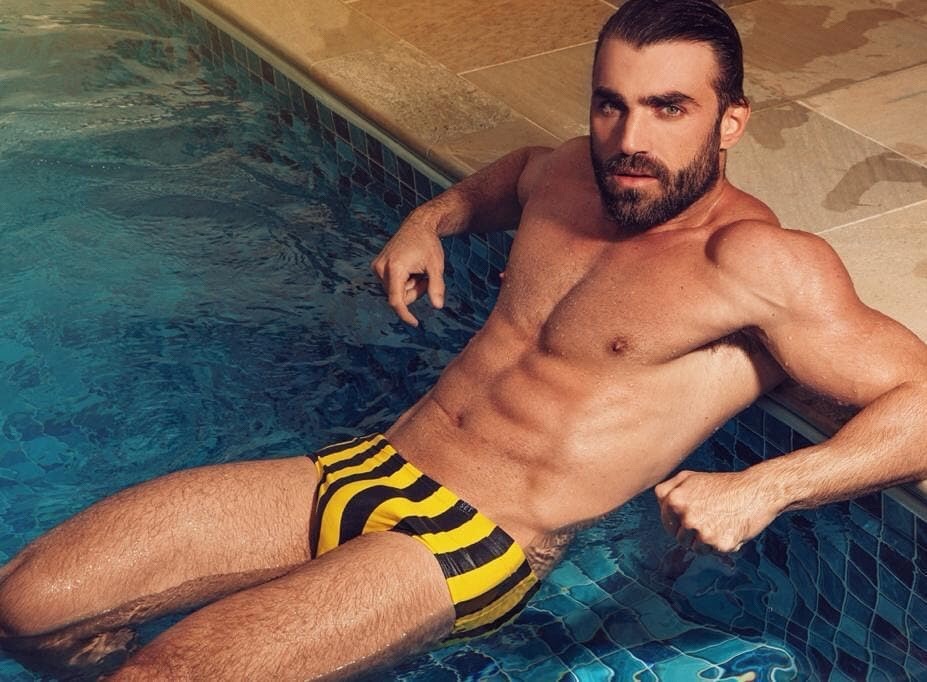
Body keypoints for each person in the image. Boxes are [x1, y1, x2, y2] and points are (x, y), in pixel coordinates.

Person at [3, 0, 927, 678]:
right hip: (367, 465)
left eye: (668, 109)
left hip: (472, 542)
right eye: (610, 104)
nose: (627, 139)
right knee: (28, 602)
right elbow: (513, 174)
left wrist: (766, 486)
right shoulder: (569, 175)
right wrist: (430, 218)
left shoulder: (757, 263)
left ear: (731, 121)